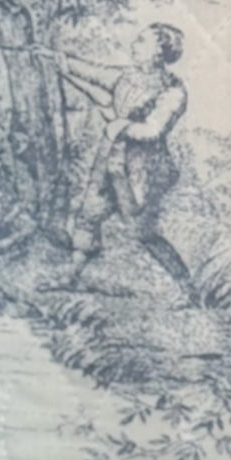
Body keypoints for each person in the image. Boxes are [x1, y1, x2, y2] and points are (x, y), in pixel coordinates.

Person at [65, 23, 195, 297]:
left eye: (142, 41)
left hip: (142, 170)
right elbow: (92, 73)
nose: (134, 45)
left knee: (143, 232)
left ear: (159, 51)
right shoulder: (126, 77)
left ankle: (189, 290)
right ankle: (71, 279)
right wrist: (60, 61)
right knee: (89, 216)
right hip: (111, 160)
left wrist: (118, 126)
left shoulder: (173, 92)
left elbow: (152, 130)